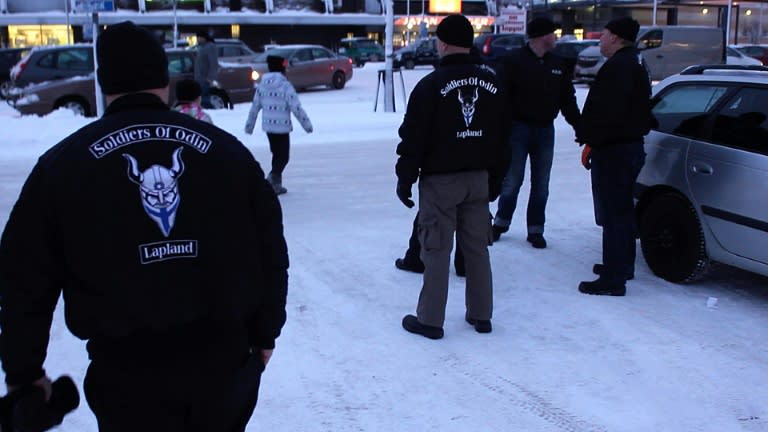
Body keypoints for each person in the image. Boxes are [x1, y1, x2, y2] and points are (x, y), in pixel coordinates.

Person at [0, 21, 289, 432]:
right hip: (224, 369)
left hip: (126, 378)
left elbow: (23, 277)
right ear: (165, 79)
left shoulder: (62, 167)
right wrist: (265, 333)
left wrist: (24, 371)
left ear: (103, 84)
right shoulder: (228, 154)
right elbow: (271, 248)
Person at [396, 14, 508, 339]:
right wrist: (497, 177)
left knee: (436, 249)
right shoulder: (493, 83)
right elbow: (503, 136)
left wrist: (405, 177)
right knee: (477, 248)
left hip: (441, 181)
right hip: (479, 179)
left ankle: (430, 320)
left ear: (441, 43)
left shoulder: (430, 85)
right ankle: (481, 314)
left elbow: (413, 137)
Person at [490, 16, 582, 248]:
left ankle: (535, 229)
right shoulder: (513, 61)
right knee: (512, 180)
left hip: (544, 130)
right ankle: (501, 222)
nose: (556, 37)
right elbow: (499, 98)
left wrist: (580, 126)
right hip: (517, 129)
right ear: (542, 36)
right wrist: (499, 130)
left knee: (541, 183)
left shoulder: (558, 64)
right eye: (553, 33)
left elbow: (566, 99)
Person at [577, 16, 652, 296]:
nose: (600, 40)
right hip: (626, 146)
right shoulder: (635, 61)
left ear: (617, 38)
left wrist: (591, 141)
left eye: (604, 34)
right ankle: (621, 265)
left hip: (616, 149)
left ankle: (613, 278)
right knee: (622, 211)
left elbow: (609, 114)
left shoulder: (620, 67)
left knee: (614, 213)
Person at [245, 55, 313, 195]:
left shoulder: (262, 84)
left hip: (269, 128)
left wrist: (249, 126)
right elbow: (296, 107)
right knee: (283, 157)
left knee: (277, 155)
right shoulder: (285, 85)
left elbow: (255, 106)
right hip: (282, 128)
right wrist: (307, 125)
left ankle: (276, 184)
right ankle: (272, 179)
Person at [194, 30, 219, 108]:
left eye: (199, 37)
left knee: (204, 100)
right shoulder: (202, 47)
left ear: (204, 38)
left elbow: (213, 64)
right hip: (199, 79)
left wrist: (210, 78)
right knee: (201, 99)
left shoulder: (210, 47)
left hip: (205, 79)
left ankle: (209, 112)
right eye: (197, 38)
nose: (198, 39)